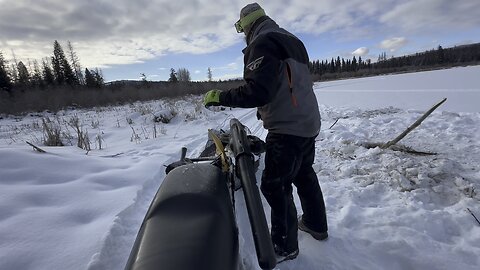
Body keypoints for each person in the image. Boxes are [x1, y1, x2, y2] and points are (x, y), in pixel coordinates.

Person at [203, 2, 328, 261]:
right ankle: (316, 224)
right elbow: (287, 83)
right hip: (307, 122)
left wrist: (220, 96)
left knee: (274, 185)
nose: (243, 34)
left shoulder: (262, 43)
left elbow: (258, 91)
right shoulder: (292, 40)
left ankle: (284, 246)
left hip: (287, 128)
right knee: (304, 174)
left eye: (241, 28)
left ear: (247, 25)